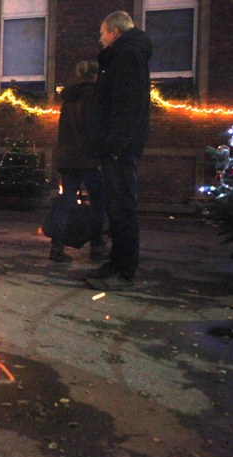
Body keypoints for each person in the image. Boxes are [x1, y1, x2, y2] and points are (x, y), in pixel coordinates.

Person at [85, 10, 153, 291]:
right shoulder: (122, 57)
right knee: (115, 208)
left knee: (123, 208)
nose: (100, 39)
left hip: (120, 150)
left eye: (103, 33)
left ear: (114, 31)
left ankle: (124, 271)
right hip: (115, 148)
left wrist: (115, 146)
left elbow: (127, 106)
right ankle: (116, 263)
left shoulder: (127, 57)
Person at [47, 61, 108, 263]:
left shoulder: (69, 99)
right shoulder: (93, 96)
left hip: (68, 157)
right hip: (89, 158)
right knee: (98, 203)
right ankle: (97, 246)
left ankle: (56, 247)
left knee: (65, 204)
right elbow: (95, 128)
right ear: (93, 75)